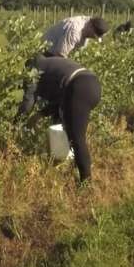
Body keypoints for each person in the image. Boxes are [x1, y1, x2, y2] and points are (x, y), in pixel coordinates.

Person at [17, 54, 102, 182]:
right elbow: (61, 99)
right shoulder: (50, 65)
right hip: (92, 84)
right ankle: (70, 163)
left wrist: (16, 124)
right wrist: (40, 114)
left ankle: (86, 183)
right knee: (69, 129)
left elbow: (27, 103)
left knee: (77, 138)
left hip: (79, 87)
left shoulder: (33, 72)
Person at [42, 16, 109, 57]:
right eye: (94, 35)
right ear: (91, 27)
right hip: (46, 52)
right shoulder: (75, 30)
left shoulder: (87, 25)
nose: (93, 38)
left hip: (56, 52)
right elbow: (61, 54)